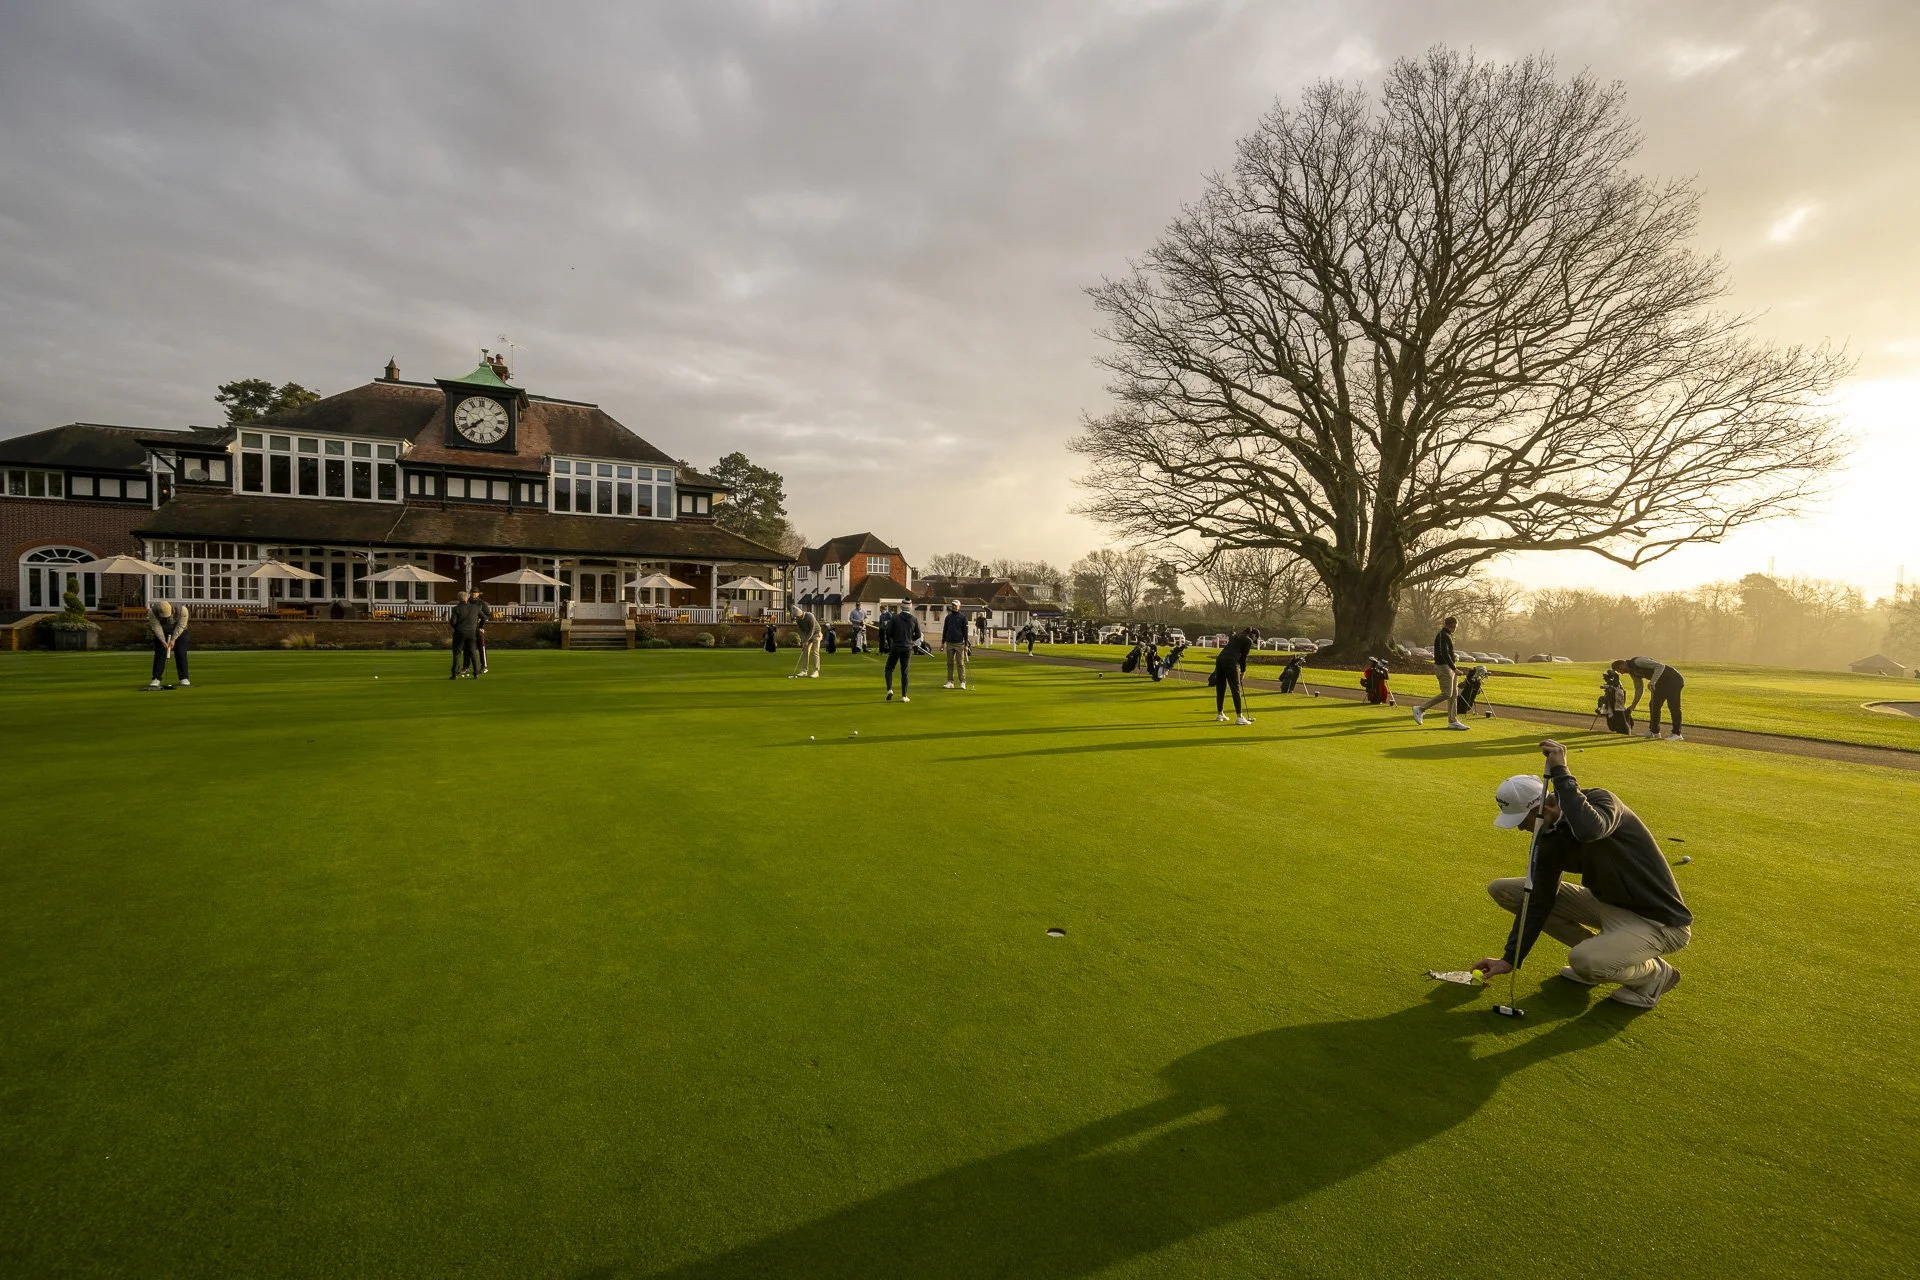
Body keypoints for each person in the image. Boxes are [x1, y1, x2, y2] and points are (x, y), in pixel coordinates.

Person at [1470, 740, 1692, 1008]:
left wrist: (1562, 772)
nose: (1519, 829)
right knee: (1504, 890)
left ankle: (1654, 975)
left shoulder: (1602, 801)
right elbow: (1538, 898)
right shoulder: (1547, 839)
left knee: (1583, 960)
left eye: (1522, 821)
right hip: (1609, 905)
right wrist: (1509, 959)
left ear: (1542, 808)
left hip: (1658, 921)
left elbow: (1589, 831)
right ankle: (1604, 958)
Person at [1411, 616, 1468, 730]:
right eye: (1455, 626)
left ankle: (1453, 721)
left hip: (1450, 668)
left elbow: (1448, 653)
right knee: (1447, 693)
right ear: (1452, 625)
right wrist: (1454, 668)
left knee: (1454, 694)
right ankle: (1420, 709)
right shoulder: (1443, 635)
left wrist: (1453, 665)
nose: (1455, 628)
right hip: (1443, 667)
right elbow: (1443, 653)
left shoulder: (1448, 635)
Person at [1612, 657, 1686, 741]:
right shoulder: (1633, 673)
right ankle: (1654, 732)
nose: (1621, 673)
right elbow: (1639, 689)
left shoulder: (1638, 661)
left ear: (1622, 665)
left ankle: (1677, 734)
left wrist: (1652, 682)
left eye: (1619, 670)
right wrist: (1633, 706)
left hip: (1674, 680)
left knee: (1673, 707)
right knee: (1654, 705)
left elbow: (1660, 666)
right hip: (1660, 683)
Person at [1212, 628, 1255, 724]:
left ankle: (1220, 714)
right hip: (1230, 662)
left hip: (1220, 659)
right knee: (1235, 688)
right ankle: (1239, 717)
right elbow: (1243, 658)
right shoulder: (1248, 640)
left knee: (1221, 687)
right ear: (1252, 635)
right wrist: (1243, 671)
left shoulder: (1236, 636)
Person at [146, 599, 191, 688]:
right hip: (163, 631)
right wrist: (163, 641)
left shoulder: (183, 610)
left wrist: (173, 639)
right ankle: (156, 678)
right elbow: (156, 627)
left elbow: (181, 626)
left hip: (180, 632)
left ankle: (184, 678)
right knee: (160, 654)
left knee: (181, 654)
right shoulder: (152, 612)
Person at [884, 603, 921, 701]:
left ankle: (889, 689)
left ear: (901, 607)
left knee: (889, 668)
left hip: (896, 646)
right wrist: (910, 639)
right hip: (907, 647)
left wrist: (893, 640)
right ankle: (904, 696)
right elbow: (918, 634)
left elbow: (888, 632)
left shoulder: (895, 618)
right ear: (910, 608)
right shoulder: (914, 619)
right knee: (904, 672)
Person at [449, 593, 482, 678]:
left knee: (457, 653)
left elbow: (453, 622)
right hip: (472, 633)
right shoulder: (475, 608)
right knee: (473, 652)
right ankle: (476, 673)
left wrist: (457, 628)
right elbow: (484, 618)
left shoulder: (456, 609)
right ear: (467, 598)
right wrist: (479, 626)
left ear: (458, 599)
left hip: (459, 633)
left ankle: (455, 674)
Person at [941, 600, 971, 689]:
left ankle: (962, 682)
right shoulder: (948, 617)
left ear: (959, 607)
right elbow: (945, 630)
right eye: (953, 605)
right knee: (949, 663)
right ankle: (950, 681)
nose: (954, 607)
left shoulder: (963, 618)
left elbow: (965, 632)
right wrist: (942, 643)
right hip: (949, 642)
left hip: (959, 643)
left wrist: (966, 645)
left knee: (960, 663)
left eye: (955, 605)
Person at [792, 609, 822, 678]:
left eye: (798, 616)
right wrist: (803, 640)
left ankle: (816, 671)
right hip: (807, 635)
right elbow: (801, 631)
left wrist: (806, 640)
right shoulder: (798, 620)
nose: (797, 618)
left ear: (801, 614)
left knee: (815, 652)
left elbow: (812, 630)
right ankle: (804, 671)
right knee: (805, 651)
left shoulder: (810, 616)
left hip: (816, 634)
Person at [471, 590, 493, 674]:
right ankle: (466, 666)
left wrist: (481, 625)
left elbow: (487, 614)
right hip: (470, 627)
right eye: (472, 592)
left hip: (479, 627)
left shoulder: (481, 603)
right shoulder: (468, 602)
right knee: (469, 648)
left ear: (478, 594)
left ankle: (484, 666)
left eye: (475, 592)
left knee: (481, 647)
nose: (474, 594)